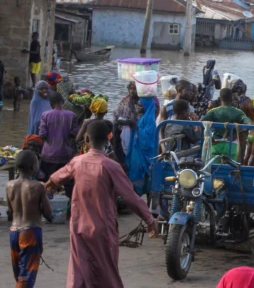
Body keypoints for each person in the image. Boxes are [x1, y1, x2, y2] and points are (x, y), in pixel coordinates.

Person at [46, 121, 158, 288]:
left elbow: (54, 178)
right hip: (102, 228)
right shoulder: (111, 166)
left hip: (78, 226)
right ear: (109, 138)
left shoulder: (77, 162)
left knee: (79, 270)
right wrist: (149, 219)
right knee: (106, 272)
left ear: (86, 138)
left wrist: (49, 186)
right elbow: (130, 197)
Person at [7, 150, 52, 288]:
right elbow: (48, 213)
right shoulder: (38, 186)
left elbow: (10, 211)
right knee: (26, 276)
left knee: (20, 273)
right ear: (34, 167)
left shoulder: (9, 185)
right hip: (30, 232)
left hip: (14, 232)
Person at [38, 92, 78, 195]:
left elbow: (42, 135)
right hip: (65, 155)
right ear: (63, 102)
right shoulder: (71, 115)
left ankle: (45, 204)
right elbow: (75, 134)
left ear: (51, 103)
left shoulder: (45, 115)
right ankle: (70, 207)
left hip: (48, 156)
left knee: (46, 183)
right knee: (69, 184)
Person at [202, 88, 252, 161]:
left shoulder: (213, 111)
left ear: (220, 98)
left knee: (213, 170)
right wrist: (238, 131)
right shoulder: (238, 112)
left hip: (216, 145)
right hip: (231, 146)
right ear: (232, 99)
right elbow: (249, 123)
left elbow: (201, 122)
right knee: (231, 170)